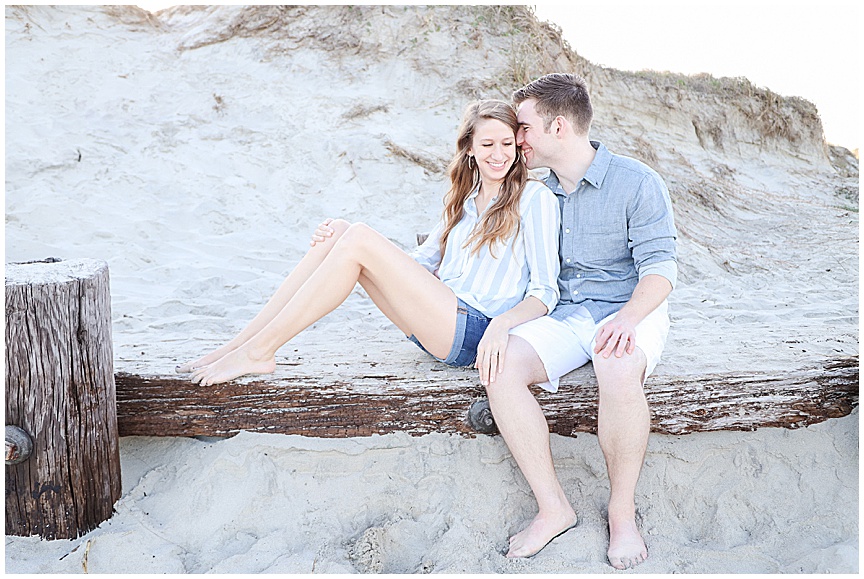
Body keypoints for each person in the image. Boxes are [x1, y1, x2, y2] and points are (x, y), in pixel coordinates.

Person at [176, 99, 561, 388]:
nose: (499, 155)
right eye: (488, 144)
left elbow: (545, 293)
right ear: (470, 149)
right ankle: (241, 344)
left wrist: (501, 328)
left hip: (476, 334)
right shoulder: (465, 198)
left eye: (507, 145)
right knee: (344, 231)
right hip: (438, 321)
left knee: (358, 236)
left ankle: (260, 352)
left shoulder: (534, 197)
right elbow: (420, 262)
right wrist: (344, 247)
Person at [486, 73, 678, 569]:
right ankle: (554, 508)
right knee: (500, 365)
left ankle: (621, 512)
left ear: (557, 126)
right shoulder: (535, 193)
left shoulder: (637, 182)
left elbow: (661, 270)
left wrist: (630, 319)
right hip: (567, 315)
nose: (515, 138)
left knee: (615, 365)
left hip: (631, 310)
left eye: (522, 128)